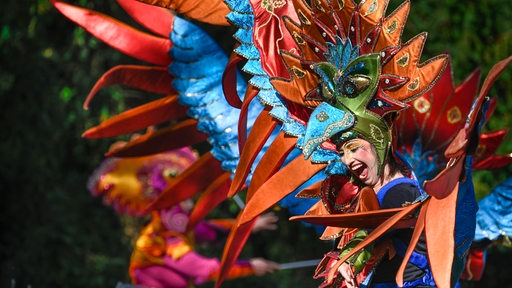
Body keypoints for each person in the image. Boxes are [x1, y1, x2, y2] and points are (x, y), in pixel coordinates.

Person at [87, 146, 280, 288]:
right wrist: (250, 266)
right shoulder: (167, 234)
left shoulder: (169, 225)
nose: (190, 201)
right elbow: (201, 269)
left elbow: (204, 230)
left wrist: (247, 226)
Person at [334, 138, 433, 288]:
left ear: (379, 145)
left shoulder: (401, 191)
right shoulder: (365, 196)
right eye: (342, 153)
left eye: (354, 149)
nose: (347, 161)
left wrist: (347, 259)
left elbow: (378, 228)